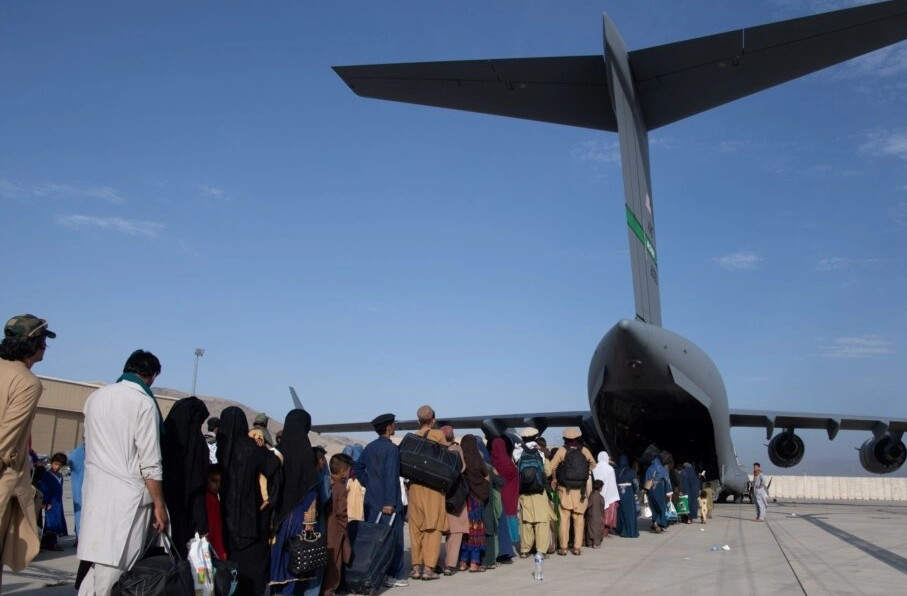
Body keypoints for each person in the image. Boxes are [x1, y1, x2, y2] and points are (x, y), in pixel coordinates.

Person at [78, 349, 168, 595]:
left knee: (97, 565)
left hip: (96, 490)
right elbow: (150, 462)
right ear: (152, 376)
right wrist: (159, 504)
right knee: (116, 569)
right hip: (128, 499)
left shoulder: (96, 397)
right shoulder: (143, 402)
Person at [0, 314, 53, 585]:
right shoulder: (27, 382)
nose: (45, 347)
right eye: (43, 340)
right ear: (33, 343)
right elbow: (5, 440)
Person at [218, 407, 281, 596]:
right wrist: (270, 498)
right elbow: (274, 466)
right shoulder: (251, 447)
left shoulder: (221, 448)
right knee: (252, 572)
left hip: (226, 518)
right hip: (252, 519)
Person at [353, 412, 407, 588]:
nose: (394, 427)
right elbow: (391, 476)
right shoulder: (391, 449)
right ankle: (393, 575)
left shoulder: (369, 447)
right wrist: (389, 502)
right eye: (393, 424)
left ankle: (374, 572)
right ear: (389, 427)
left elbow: (358, 467)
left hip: (372, 501)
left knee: (373, 539)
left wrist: (369, 484)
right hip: (387, 503)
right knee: (393, 539)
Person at [269, 408, 318, 596]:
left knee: (277, 557)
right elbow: (311, 490)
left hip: (277, 516)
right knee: (296, 559)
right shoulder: (307, 454)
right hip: (299, 516)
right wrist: (310, 523)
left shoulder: (277, 453)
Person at [162, 396, 210, 558]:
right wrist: (202, 526)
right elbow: (197, 486)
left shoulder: (163, 438)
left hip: (159, 510)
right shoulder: (196, 444)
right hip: (185, 515)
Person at [406, 405, 448, 581]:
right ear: (433, 420)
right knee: (433, 526)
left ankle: (416, 567)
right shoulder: (438, 435)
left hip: (415, 487)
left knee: (416, 527)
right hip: (433, 487)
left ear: (418, 421)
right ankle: (428, 568)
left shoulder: (413, 437)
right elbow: (445, 460)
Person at [549, 428, 595, 556]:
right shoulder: (584, 450)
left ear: (565, 438)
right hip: (580, 491)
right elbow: (593, 464)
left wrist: (555, 478)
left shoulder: (562, 450)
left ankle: (564, 548)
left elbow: (551, 466)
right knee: (579, 519)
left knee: (564, 519)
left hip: (565, 490)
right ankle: (577, 548)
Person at [516, 431, 552, 558]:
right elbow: (547, 472)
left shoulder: (517, 453)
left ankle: (525, 550)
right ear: (535, 438)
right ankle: (541, 550)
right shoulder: (540, 453)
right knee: (541, 522)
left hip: (524, 493)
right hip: (539, 492)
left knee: (526, 522)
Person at [457, 434, 489, 573]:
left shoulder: (460, 460)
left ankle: (463, 562)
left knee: (465, 531)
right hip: (476, 501)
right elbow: (486, 478)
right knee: (476, 530)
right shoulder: (477, 459)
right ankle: (474, 563)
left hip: (463, 502)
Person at [323, 454, 353, 596]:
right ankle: (329, 590)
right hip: (336, 528)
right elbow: (341, 511)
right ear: (343, 472)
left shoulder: (327, 482)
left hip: (326, 525)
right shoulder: (340, 488)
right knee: (334, 561)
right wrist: (345, 527)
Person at [441, 425, 466, 576]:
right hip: (454, 494)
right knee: (455, 531)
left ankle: (432, 564)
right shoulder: (457, 448)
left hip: (437, 494)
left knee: (434, 532)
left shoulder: (435, 449)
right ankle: (450, 564)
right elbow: (462, 467)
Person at [488, 436, 518, 563]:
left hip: (498, 496)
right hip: (510, 496)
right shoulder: (509, 464)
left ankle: (499, 549)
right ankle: (508, 548)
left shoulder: (491, 463)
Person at [38, 452, 69, 550]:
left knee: (57, 520)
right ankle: (52, 543)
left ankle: (45, 542)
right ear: (52, 463)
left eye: (60, 465)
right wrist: (44, 503)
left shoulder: (60, 476)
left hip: (58, 503)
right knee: (51, 522)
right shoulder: (46, 475)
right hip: (50, 503)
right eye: (55, 464)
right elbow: (43, 489)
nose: (57, 467)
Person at [593, 451, 619, 538]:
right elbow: (612, 484)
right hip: (608, 494)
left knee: (596, 513)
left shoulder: (594, 467)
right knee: (607, 515)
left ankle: (596, 532)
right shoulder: (610, 469)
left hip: (596, 494)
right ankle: (605, 533)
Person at [205, 464, 227, 559]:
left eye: (219, 482)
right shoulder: (209, 499)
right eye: (214, 481)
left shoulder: (214, 498)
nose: (218, 485)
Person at [614, 455, 639, 538]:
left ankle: (622, 530)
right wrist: (635, 492)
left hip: (618, 493)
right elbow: (636, 484)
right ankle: (630, 531)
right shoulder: (631, 472)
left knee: (621, 512)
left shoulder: (615, 471)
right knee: (630, 512)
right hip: (629, 493)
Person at [68, 443, 85, 547]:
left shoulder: (80, 451)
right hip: (82, 487)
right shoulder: (81, 451)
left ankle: (80, 536)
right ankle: (80, 537)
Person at [583, 479, 605, 548]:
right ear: (600, 488)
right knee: (598, 530)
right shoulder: (601, 497)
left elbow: (588, 506)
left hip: (591, 516)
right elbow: (602, 507)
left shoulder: (591, 497)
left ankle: (590, 543)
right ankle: (596, 543)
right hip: (599, 517)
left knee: (590, 530)